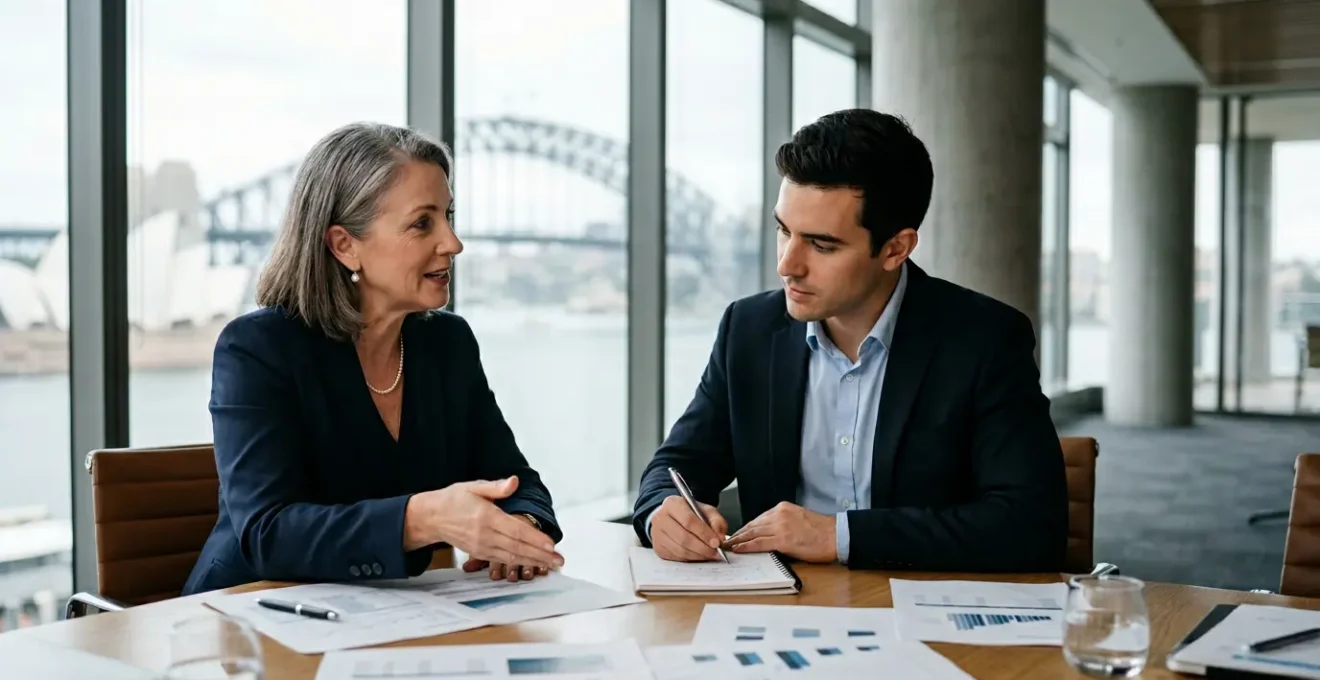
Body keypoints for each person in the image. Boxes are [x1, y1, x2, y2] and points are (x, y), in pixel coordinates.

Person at [632, 109, 1068, 572]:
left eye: (822, 245)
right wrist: (662, 511)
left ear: (896, 248)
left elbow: (1031, 525)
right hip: (782, 615)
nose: (787, 265)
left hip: (923, 614)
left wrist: (837, 535)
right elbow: (677, 466)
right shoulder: (749, 329)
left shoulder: (984, 339)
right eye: (784, 231)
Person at [182, 122, 564, 596]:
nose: (453, 243)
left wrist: (519, 526)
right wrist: (422, 519)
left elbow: (516, 480)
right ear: (345, 245)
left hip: (387, 622)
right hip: (249, 619)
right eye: (423, 223)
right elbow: (268, 534)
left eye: (448, 215)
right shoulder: (258, 349)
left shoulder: (448, 343)